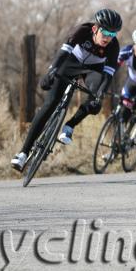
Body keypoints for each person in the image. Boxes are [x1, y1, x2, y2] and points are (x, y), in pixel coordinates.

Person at [11, 9, 122, 171]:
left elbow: (108, 76)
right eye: (105, 32)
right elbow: (63, 52)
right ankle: (23, 153)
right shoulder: (82, 30)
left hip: (93, 70)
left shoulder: (113, 46)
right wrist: (51, 71)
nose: (107, 37)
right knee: (50, 104)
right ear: (95, 29)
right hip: (71, 62)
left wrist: (99, 96)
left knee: (95, 98)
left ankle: (70, 126)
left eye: (112, 34)